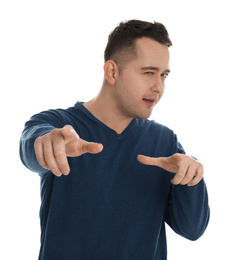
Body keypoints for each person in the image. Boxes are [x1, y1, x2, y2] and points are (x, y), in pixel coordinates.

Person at [20, 19, 210, 260]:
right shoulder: (58, 126)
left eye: (163, 75)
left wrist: (191, 179)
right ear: (112, 72)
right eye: (149, 73)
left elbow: (192, 230)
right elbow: (31, 148)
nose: (159, 87)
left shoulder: (165, 142)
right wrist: (45, 144)